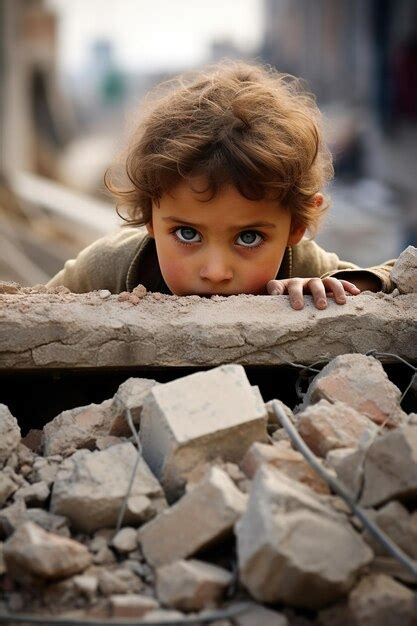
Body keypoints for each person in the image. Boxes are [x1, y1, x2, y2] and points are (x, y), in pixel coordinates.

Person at [47, 60, 395, 310]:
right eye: (186, 234)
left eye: (248, 237)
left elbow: (397, 277)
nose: (215, 272)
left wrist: (348, 285)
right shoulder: (114, 264)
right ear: (150, 217)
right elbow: (33, 309)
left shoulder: (300, 266)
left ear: (296, 226)